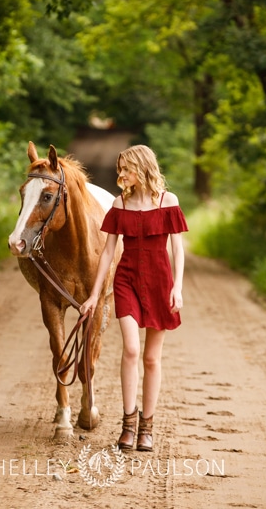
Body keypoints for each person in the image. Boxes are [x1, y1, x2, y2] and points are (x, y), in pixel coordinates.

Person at [80, 144, 188, 452]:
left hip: (160, 283)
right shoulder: (120, 204)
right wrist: (94, 294)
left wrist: (177, 287)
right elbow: (108, 253)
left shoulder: (169, 201)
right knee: (130, 349)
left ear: (141, 168)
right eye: (120, 169)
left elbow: (177, 250)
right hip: (126, 280)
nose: (121, 175)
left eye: (125, 169)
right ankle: (127, 424)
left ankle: (147, 428)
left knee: (152, 358)